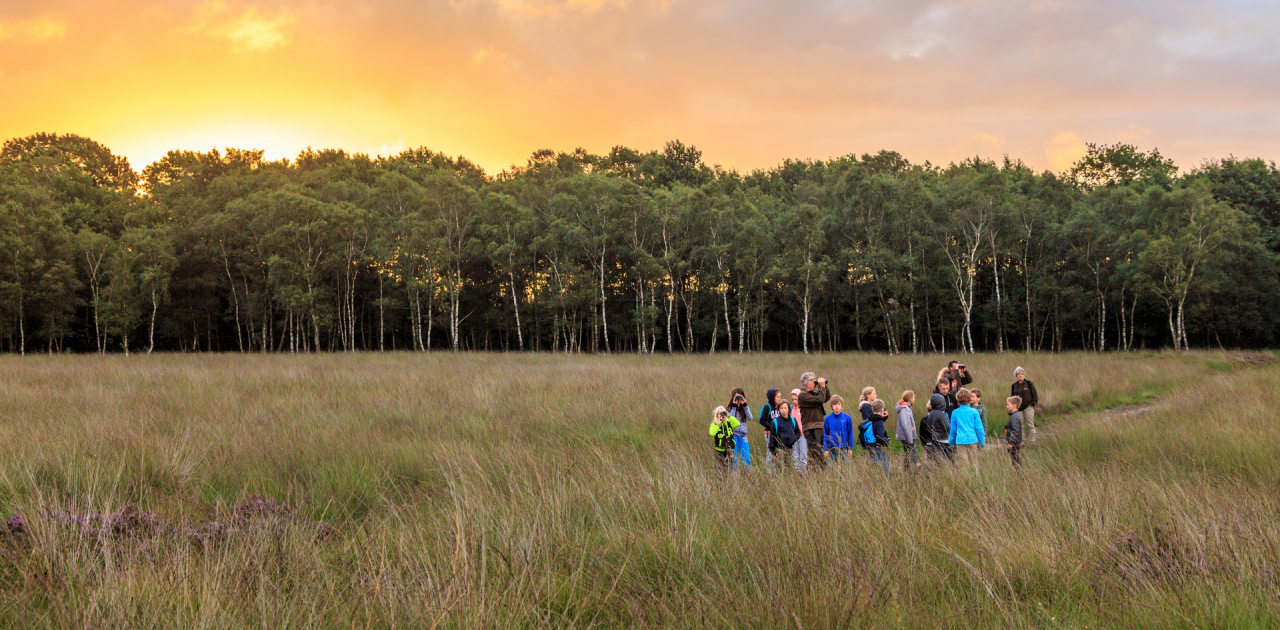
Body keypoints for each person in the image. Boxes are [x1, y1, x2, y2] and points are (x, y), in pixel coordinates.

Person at [795, 373, 831, 471]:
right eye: (813, 380)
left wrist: (823, 387)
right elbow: (819, 400)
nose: (815, 382)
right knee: (815, 454)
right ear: (807, 383)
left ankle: (820, 475)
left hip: (818, 427)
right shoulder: (803, 395)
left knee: (820, 454)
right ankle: (813, 475)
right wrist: (822, 387)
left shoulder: (813, 394)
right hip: (811, 429)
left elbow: (826, 397)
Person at [948, 388, 985, 472]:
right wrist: (982, 442)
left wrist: (951, 442)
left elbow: (953, 430)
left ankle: (966, 482)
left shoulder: (955, 412)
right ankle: (975, 481)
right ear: (969, 399)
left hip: (960, 441)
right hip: (972, 440)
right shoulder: (974, 412)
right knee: (974, 464)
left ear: (958, 399)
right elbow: (979, 428)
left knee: (963, 466)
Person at [725, 388, 753, 471]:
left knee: (746, 458)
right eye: (736, 397)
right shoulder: (729, 408)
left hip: (743, 434)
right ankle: (734, 476)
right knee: (734, 458)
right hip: (733, 435)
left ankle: (747, 475)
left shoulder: (744, 408)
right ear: (733, 397)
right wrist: (734, 406)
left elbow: (750, 418)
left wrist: (744, 404)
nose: (738, 400)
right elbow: (730, 419)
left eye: (740, 397)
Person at [1010, 367, 1040, 443]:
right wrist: (1013, 407)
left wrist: (1031, 404)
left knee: (1030, 424)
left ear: (1024, 375)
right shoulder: (1014, 385)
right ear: (1016, 375)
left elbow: (1035, 396)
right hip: (1018, 408)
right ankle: (1021, 441)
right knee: (1020, 425)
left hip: (1028, 407)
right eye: (1019, 374)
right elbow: (1012, 397)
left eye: (1022, 374)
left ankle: (1032, 441)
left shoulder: (1029, 384)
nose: (1020, 375)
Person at [921, 393, 953, 464]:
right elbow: (946, 428)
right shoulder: (941, 414)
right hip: (943, 441)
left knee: (937, 461)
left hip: (934, 440)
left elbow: (929, 426)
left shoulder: (931, 414)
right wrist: (951, 425)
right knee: (948, 461)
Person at [823, 395, 853, 463]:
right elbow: (826, 434)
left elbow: (850, 433)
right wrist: (825, 449)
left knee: (845, 466)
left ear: (841, 406)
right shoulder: (828, 419)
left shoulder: (847, 418)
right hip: (832, 448)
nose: (837, 406)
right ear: (831, 406)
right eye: (834, 404)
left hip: (843, 447)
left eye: (839, 404)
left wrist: (850, 448)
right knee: (832, 467)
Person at [709, 406, 740, 473]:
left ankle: (727, 481)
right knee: (720, 469)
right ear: (717, 415)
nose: (722, 415)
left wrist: (728, 416)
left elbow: (737, 423)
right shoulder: (714, 424)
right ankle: (720, 481)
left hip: (730, 450)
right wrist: (719, 423)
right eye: (720, 413)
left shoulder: (728, 423)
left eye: (724, 413)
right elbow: (712, 433)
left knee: (729, 469)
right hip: (720, 451)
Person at [895, 391, 918, 470]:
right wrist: (910, 440)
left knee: (908, 455)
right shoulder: (904, 409)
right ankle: (911, 471)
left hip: (908, 437)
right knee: (913, 455)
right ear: (910, 399)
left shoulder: (906, 408)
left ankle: (907, 471)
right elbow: (905, 425)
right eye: (914, 398)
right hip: (908, 437)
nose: (914, 399)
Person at [866, 399, 890, 475]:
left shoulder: (869, 418)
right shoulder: (879, 421)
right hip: (879, 447)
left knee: (874, 466)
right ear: (882, 409)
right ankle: (884, 480)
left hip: (871, 446)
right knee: (884, 467)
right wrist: (887, 441)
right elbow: (880, 436)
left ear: (872, 408)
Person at [789, 389, 808, 472]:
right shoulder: (791, 408)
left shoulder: (803, 407)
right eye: (792, 399)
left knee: (803, 454)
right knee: (795, 454)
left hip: (802, 434)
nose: (794, 401)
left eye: (795, 399)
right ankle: (798, 472)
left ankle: (804, 472)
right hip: (793, 435)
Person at [1004, 396, 1024, 468]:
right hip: (1015, 442)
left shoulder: (1014, 417)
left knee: (1015, 460)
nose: (1007, 406)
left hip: (1014, 443)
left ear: (1014, 405)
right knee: (1015, 460)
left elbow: (1016, 431)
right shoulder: (1014, 415)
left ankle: (1020, 475)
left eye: (1008, 405)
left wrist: (1011, 442)